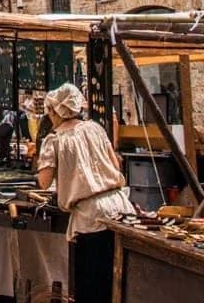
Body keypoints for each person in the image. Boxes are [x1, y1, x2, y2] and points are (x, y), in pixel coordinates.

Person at [34, 83, 136, 303]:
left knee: (91, 285)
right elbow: (115, 165)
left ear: (55, 111)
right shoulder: (95, 129)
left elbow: (43, 181)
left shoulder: (55, 139)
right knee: (115, 281)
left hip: (91, 216)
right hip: (119, 206)